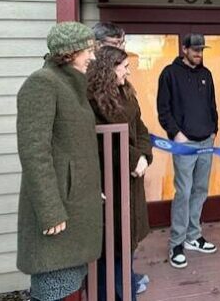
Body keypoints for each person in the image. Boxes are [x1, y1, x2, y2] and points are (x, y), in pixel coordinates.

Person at [16, 22, 102, 301]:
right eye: (88, 50)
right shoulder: (42, 83)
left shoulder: (71, 85)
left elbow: (73, 150)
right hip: (58, 211)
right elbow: (34, 151)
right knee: (52, 289)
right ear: (68, 53)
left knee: (69, 284)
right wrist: (50, 210)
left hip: (75, 204)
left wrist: (89, 187)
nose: (93, 56)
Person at [87, 46, 154, 299]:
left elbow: (142, 128)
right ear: (108, 68)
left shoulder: (127, 93)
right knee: (109, 247)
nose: (128, 71)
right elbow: (103, 141)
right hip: (108, 180)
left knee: (126, 245)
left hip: (132, 179)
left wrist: (145, 157)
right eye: (124, 66)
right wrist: (134, 158)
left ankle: (126, 290)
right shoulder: (92, 99)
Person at [157, 33, 219, 268]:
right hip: (184, 143)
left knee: (200, 190)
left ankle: (193, 236)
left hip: (206, 142)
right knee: (183, 191)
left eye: (202, 50)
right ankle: (177, 243)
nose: (199, 54)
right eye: (195, 50)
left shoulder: (206, 74)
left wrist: (214, 129)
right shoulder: (169, 73)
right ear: (184, 49)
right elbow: (163, 109)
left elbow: (212, 105)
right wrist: (176, 134)